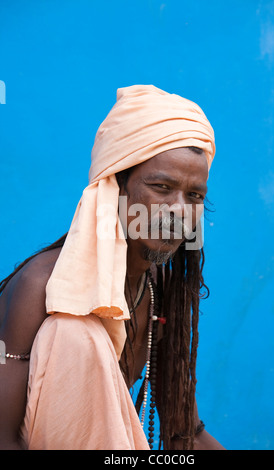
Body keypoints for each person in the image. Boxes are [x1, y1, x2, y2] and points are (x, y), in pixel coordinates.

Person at [0, 85, 225, 450]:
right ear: (114, 188)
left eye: (194, 195)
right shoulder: (41, 287)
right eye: (161, 187)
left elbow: (186, 433)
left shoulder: (158, 287)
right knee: (73, 331)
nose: (180, 211)